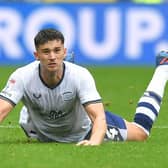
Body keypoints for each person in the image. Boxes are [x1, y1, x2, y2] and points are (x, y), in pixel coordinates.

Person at [0, 28, 167, 146]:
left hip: (83, 131)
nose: (52, 56)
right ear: (36, 55)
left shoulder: (82, 75)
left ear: (64, 52)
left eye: (57, 51)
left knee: (140, 134)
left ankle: (163, 67)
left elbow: (99, 118)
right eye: (46, 52)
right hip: (39, 128)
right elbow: (1, 110)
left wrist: (94, 142)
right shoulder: (21, 76)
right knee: (28, 118)